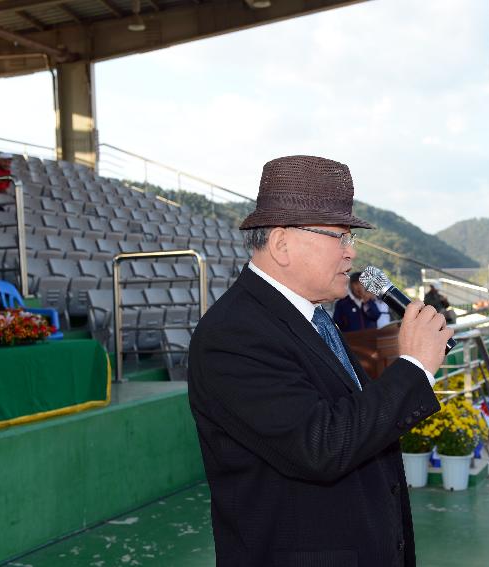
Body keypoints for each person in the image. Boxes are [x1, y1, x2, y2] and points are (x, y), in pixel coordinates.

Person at [188, 155, 452, 567]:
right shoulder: (233, 334)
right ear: (281, 243)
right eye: (340, 236)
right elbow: (321, 445)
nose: (351, 254)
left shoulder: (311, 318)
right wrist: (413, 368)